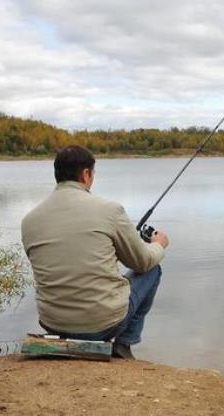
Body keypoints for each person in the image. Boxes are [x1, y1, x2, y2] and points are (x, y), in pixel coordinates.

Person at [21, 145, 169, 359]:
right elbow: (143, 262)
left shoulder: (29, 221)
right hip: (103, 326)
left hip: (52, 323)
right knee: (153, 270)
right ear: (86, 174)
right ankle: (124, 344)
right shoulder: (110, 210)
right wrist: (158, 244)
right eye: (93, 174)